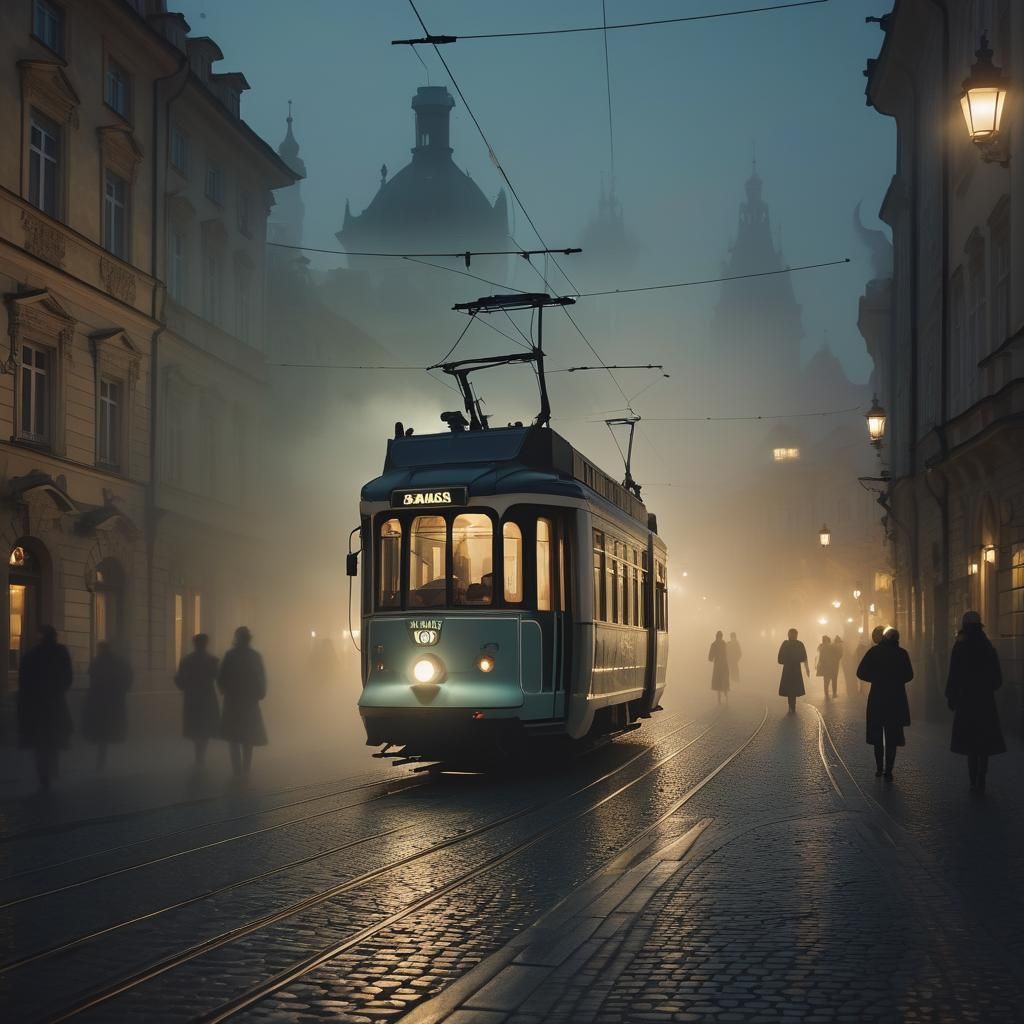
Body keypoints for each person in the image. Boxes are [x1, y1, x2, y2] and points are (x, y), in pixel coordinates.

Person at [945, 611, 1005, 792]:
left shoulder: (960, 647)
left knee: (970, 742)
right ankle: (982, 777)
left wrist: (952, 696)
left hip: (966, 701)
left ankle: (973, 779)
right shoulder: (987, 646)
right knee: (984, 743)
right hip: (985, 701)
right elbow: (997, 678)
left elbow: (953, 674)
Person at [17, 625, 74, 791]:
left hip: (37, 706)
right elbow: (68, 677)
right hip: (54, 703)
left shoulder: (32, 655)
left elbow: (24, 683)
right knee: (52, 739)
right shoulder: (60, 652)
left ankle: (44, 775)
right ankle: (51, 769)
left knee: (41, 742)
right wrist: (59, 690)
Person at [856, 627, 913, 780]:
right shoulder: (902, 653)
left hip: (878, 696)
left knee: (877, 733)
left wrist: (875, 678)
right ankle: (889, 769)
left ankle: (879, 768)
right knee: (892, 734)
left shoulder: (874, 652)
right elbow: (909, 675)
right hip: (896, 698)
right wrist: (896, 680)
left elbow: (860, 672)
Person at [218, 626, 268, 776]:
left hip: (233, 701)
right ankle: (246, 767)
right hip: (249, 701)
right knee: (247, 736)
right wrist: (260, 693)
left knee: (234, 737)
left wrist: (224, 690)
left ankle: (237, 769)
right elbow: (261, 679)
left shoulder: (231, 655)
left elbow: (222, 677)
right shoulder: (254, 656)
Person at [82, 641, 132, 769]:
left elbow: (92, 678)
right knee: (108, 729)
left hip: (99, 701)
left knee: (102, 731)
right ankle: (103, 757)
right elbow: (127, 678)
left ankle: (102, 758)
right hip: (112, 701)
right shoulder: (117, 662)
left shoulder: (97, 662)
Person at [175, 633, 221, 767]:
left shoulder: (186, 660)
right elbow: (218, 678)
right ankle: (201, 756)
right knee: (204, 727)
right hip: (207, 698)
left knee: (196, 727)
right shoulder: (212, 660)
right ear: (206, 644)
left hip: (192, 698)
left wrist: (184, 686)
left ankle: (198, 756)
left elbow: (180, 680)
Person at [777, 628, 809, 713]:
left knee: (790, 689)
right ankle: (792, 707)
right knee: (793, 689)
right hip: (795, 669)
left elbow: (780, 659)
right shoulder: (799, 644)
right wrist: (796, 660)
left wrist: (787, 660)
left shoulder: (785, 644)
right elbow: (804, 657)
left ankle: (791, 707)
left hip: (788, 669)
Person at [708, 630, 730, 704]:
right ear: (722, 636)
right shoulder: (724, 644)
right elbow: (728, 654)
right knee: (725, 680)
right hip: (724, 665)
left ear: (716, 636)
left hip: (717, 666)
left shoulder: (713, 644)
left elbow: (710, 657)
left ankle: (719, 699)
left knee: (717, 681)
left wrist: (712, 658)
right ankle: (726, 693)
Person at [815, 635, 837, 700]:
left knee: (826, 681)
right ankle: (833, 693)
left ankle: (827, 694)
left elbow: (820, 657)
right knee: (833, 679)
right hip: (830, 666)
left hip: (825, 666)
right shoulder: (830, 646)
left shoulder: (821, 647)